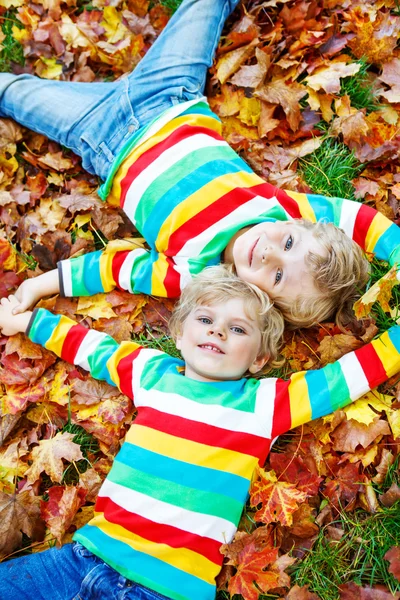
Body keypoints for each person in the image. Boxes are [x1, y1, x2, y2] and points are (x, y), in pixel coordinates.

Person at [0, 265, 400, 600]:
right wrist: (23, 320)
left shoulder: (265, 403)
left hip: (166, 591)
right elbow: (89, 347)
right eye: (206, 320)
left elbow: (346, 377)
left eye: (238, 329)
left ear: (260, 358)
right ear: (179, 334)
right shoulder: (151, 373)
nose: (218, 332)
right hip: (81, 559)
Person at [1, 0, 399, 328]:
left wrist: (40, 286)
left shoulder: (191, 274)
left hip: (100, 135)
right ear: (297, 226)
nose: (270, 252)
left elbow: (114, 268)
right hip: (170, 93)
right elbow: (357, 218)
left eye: (277, 276)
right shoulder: (280, 208)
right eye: (290, 243)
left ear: (259, 300)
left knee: (12, 93)